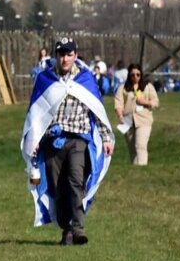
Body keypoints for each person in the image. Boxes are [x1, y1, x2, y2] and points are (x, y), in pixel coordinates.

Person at [22, 37, 115, 246]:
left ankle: (78, 228)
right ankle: (66, 229)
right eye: (61, 54)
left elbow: (96, 110)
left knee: (75, 181)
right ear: (56, 55)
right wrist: (34, 138)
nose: (65, 59)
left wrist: (106, 138)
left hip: (78, 140)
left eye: (69, 54)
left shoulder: (85, 79)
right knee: (57, 186)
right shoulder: (45, 79)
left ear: (75, 55)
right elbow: (36, 113)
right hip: (53, 141)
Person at [114, 64, 159, 166]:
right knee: (132, 149)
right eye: (132, 75)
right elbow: (118, 103)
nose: (135, 77)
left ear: (141, 75)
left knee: (140, 145)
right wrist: (120, 115)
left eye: (138, 75)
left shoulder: (147, 86)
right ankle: (135, 171)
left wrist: (146, 103)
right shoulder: (123, 88)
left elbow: (156, 101)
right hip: (127, 121)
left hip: (144, 120)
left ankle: (142, 168)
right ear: (129, 76)